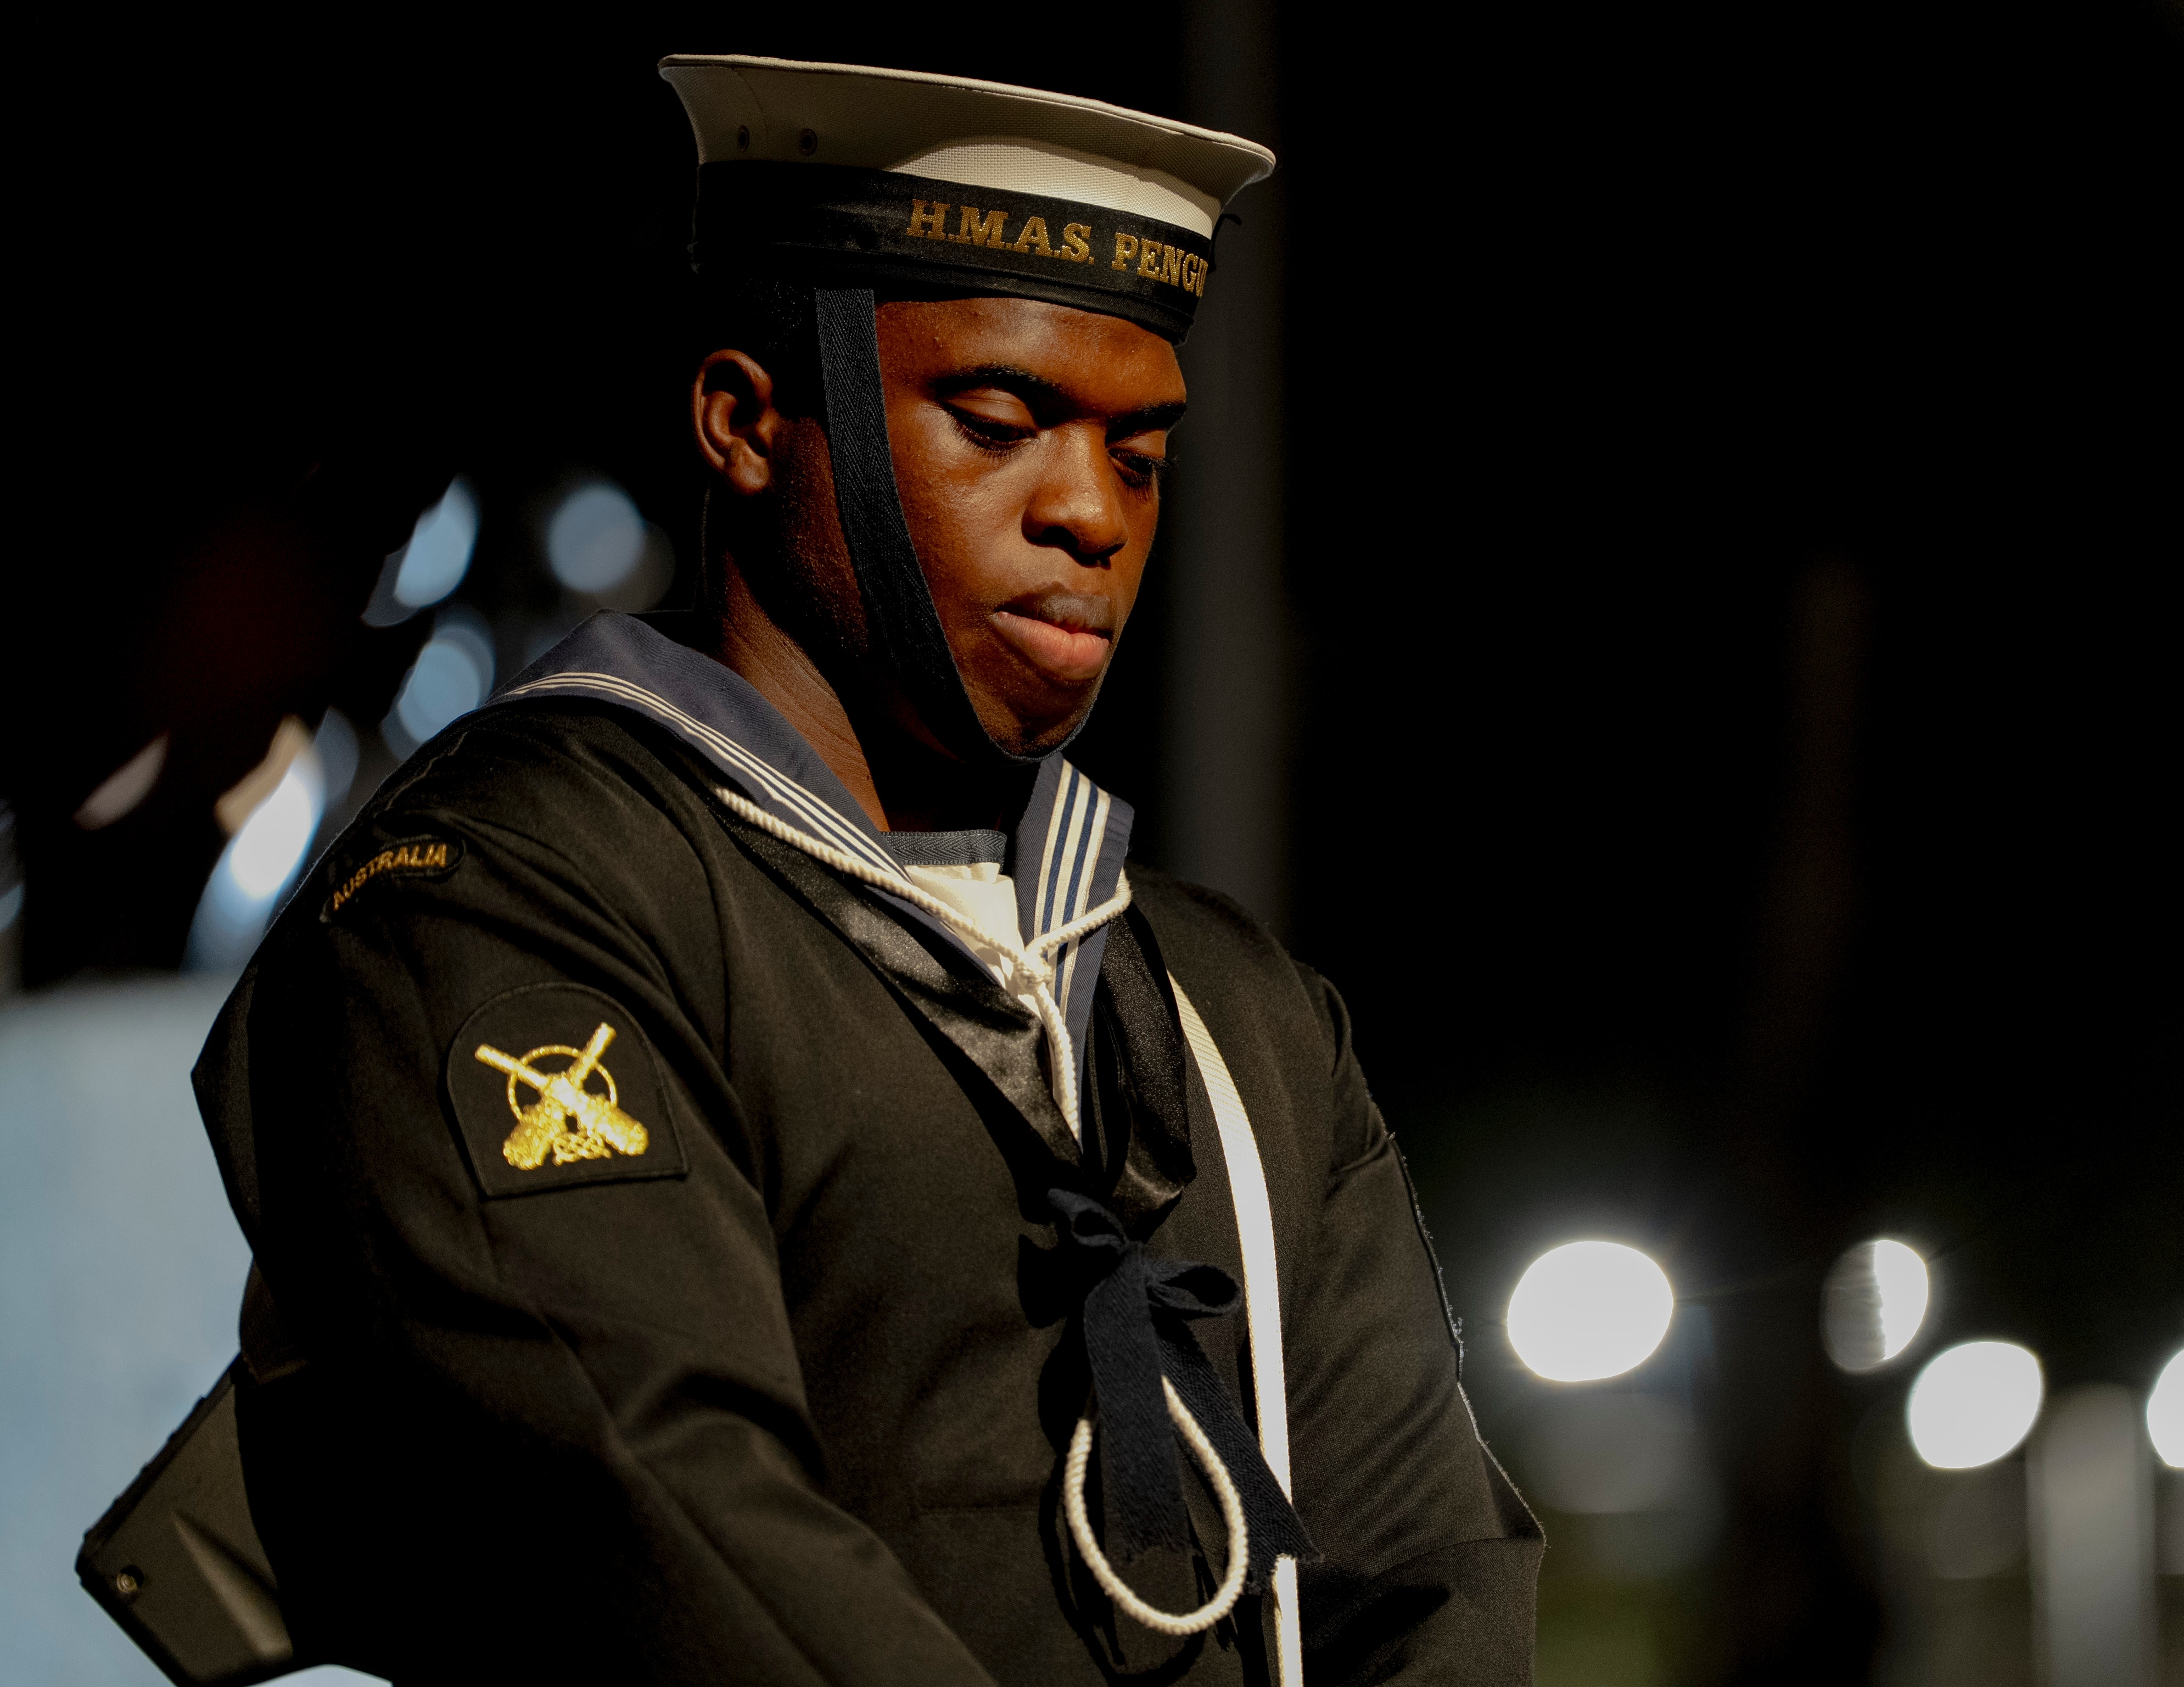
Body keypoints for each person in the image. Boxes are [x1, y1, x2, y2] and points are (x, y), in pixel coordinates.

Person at [196, 55, 1540, 1685]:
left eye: (1142, 452)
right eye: (1001, 419)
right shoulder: (493, 897)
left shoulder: (1240, 1011)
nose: (1090, 513)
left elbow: (1434, 1577)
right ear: (747, 424)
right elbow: (670, 1528)